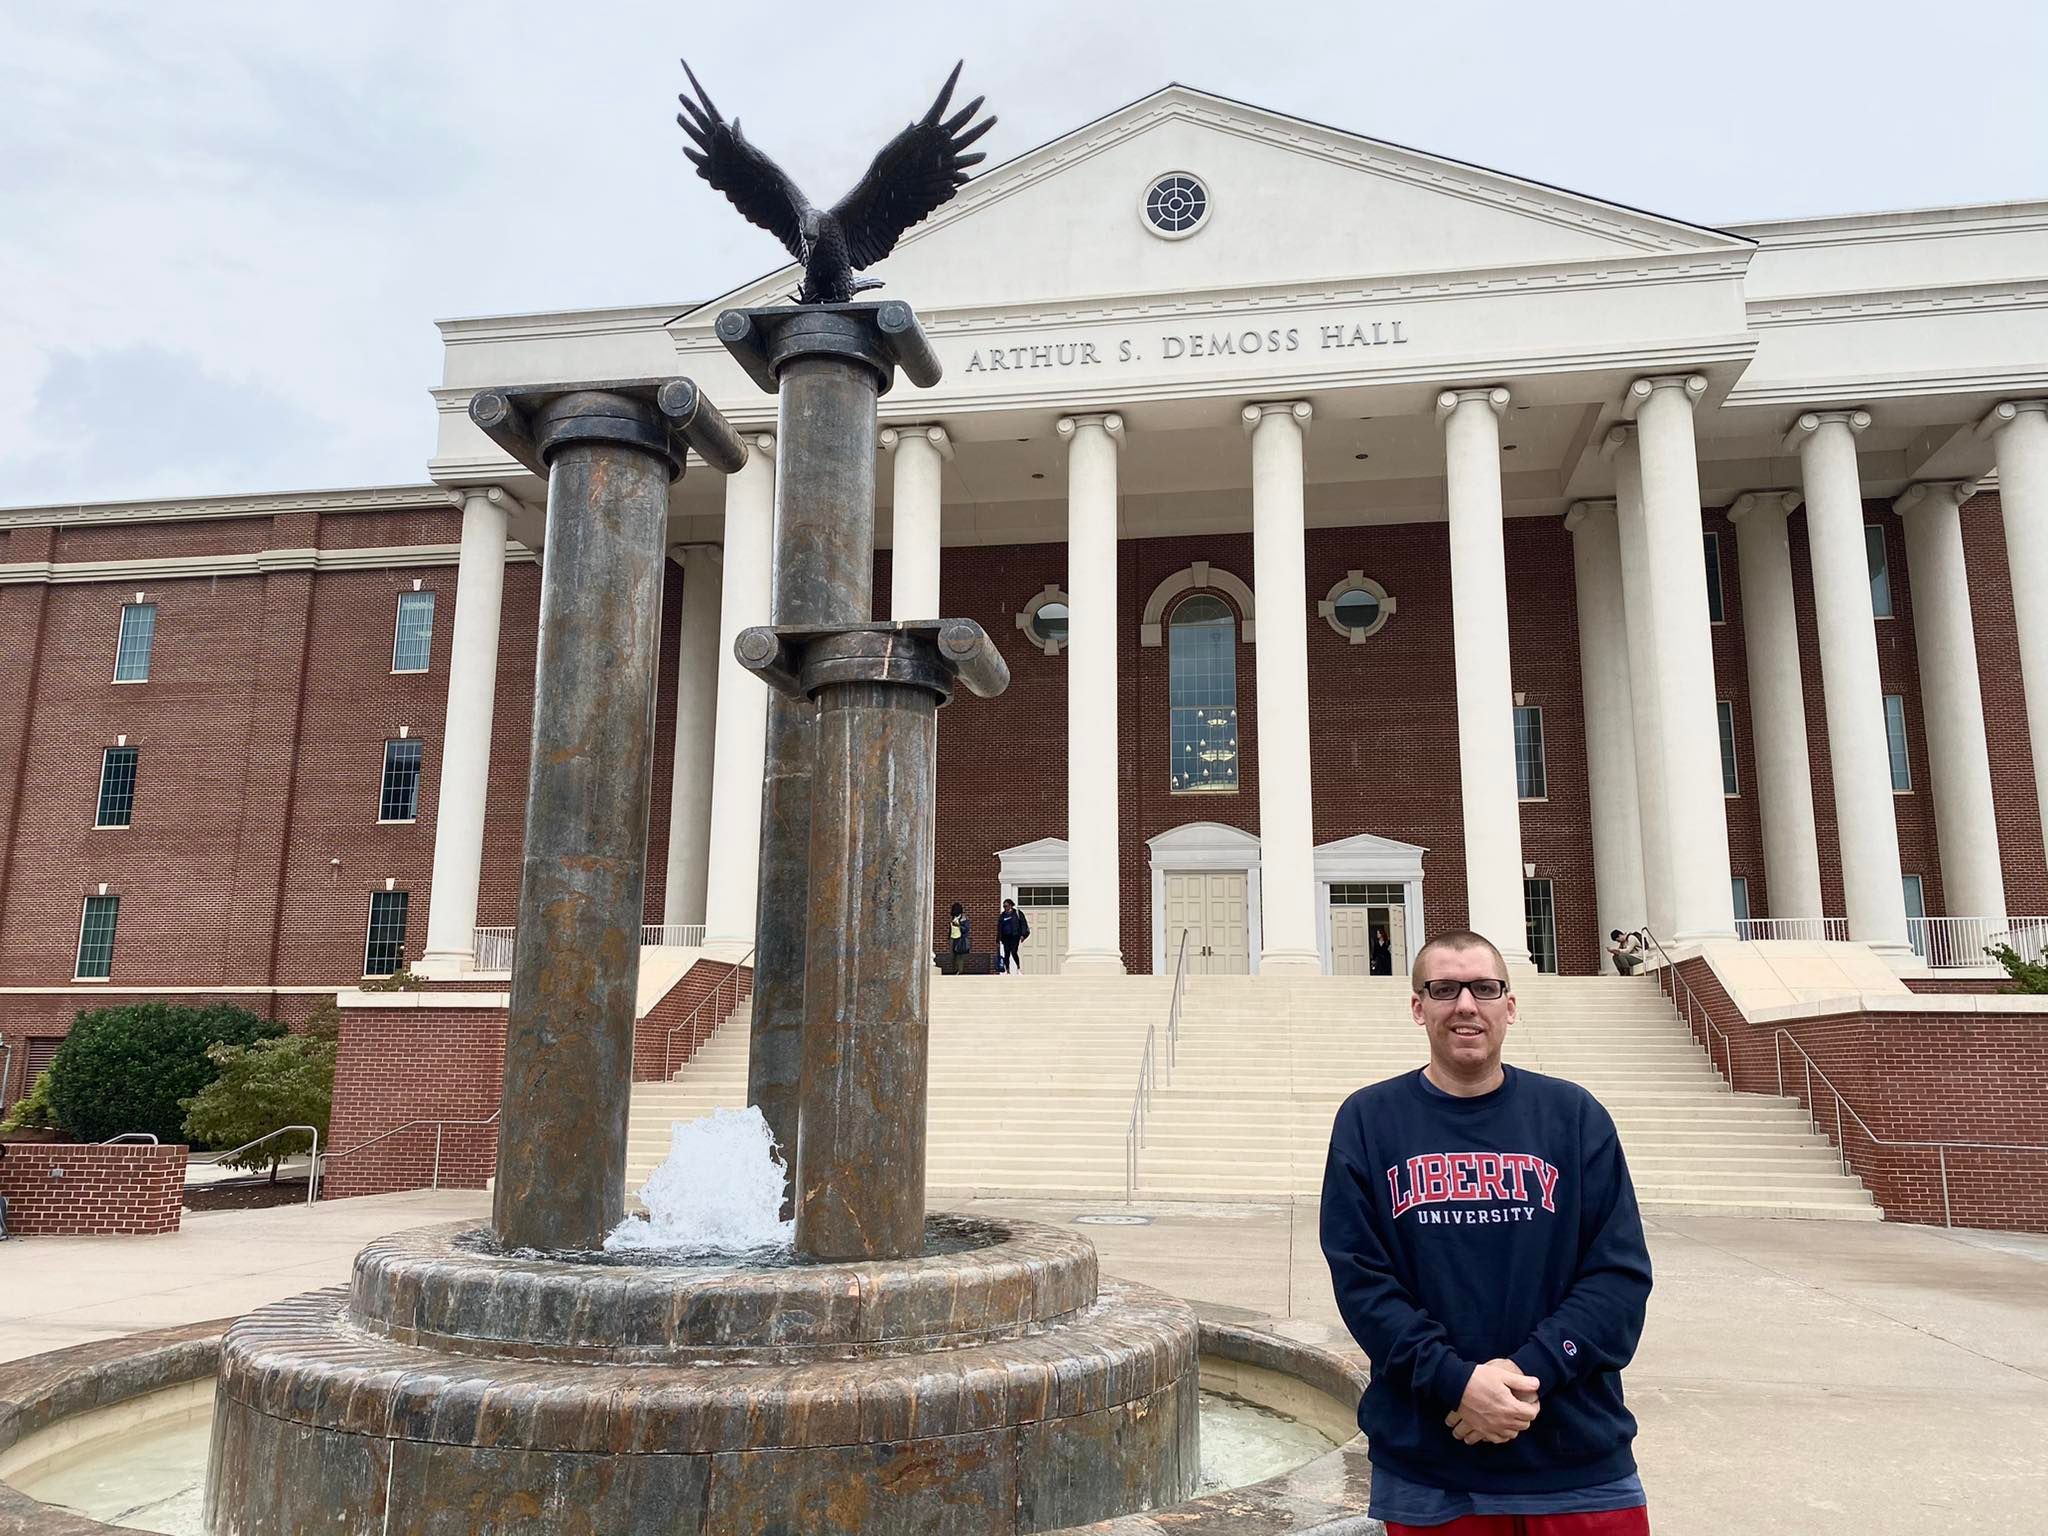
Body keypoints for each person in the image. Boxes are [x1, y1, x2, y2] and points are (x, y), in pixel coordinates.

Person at [1320, 928, 1654, 1536]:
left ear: (1511, 1004)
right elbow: (1363, 1284)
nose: (1466, 1004)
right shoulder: (1369, 1121)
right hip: (1430, 1461)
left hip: (1575, 1456)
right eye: (1444, 989)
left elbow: (1618, 1275)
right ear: (1418, 1006)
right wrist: (1456, 1383)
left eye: (1484, 987)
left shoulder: (1573, 1116)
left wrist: (1527, 1377)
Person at [997, 898, 1030, 976]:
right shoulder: (1002, 915)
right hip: (1005, 937)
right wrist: (998, 939)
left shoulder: (1017, 913)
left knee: (1014, 951)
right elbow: (999, 928)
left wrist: (1023, 935)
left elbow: (1023, 924)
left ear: (1011, 905)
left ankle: (1018, 968)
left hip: (1015, 936)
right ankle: (1007, 970)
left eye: (1006, 906)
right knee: (1006, 953)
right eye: (1004, 906)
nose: (1005, 908)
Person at [945, 902, 970, 975]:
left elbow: (966, 929)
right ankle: (955, 970)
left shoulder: (963, 918)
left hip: (960, 938)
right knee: (952, 955)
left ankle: (960, 970)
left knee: (960, 955)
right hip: (952, 938)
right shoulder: (953, 918)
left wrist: (958, 925)